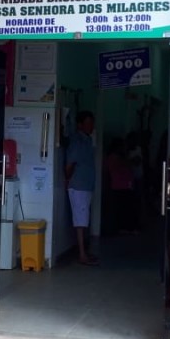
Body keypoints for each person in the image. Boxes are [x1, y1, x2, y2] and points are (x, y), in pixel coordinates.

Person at [65, 111, 98, 265]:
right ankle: (82, 254)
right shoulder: (77, 142)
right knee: (80, 220)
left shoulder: (88, 140)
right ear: (80, 125)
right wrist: (68, 179)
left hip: (86, 185)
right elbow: (70, 165)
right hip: (78, 186)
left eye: (92, 123)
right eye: (88, 123)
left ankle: (84, 252)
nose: (91, 126)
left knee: (83, 219)